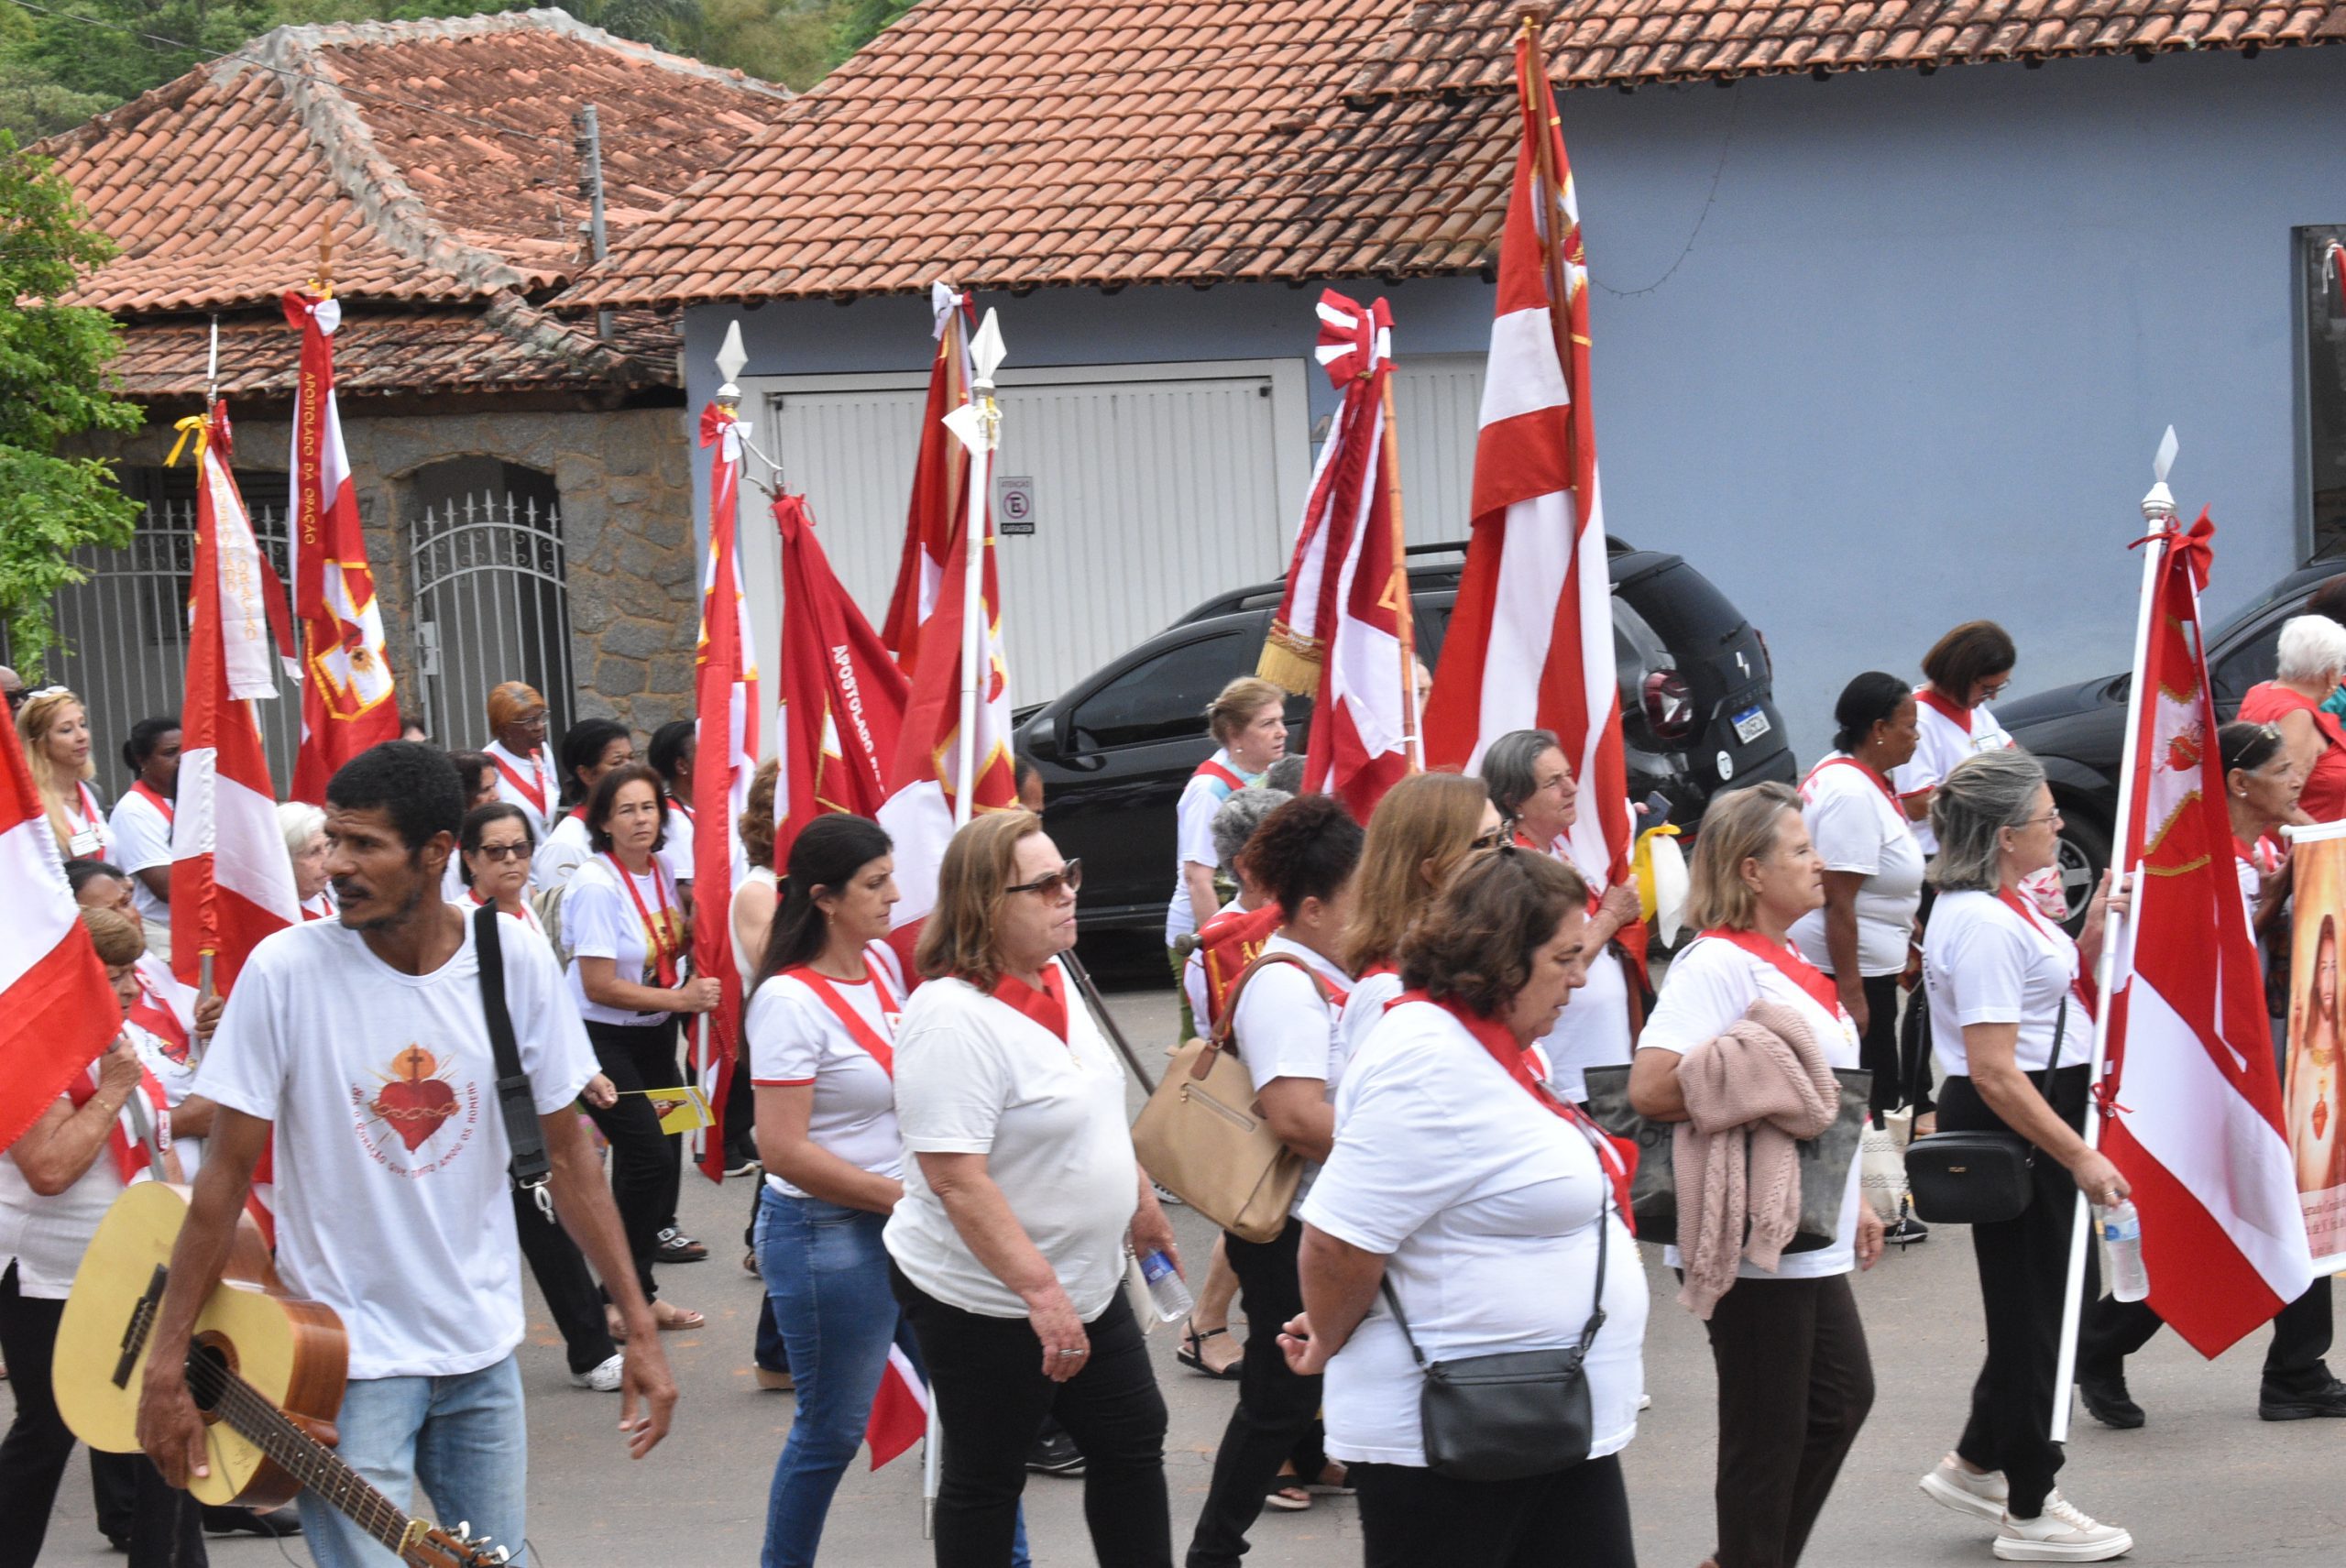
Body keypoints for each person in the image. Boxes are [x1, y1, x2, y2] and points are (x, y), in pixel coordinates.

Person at [137, 743, 678, 1564]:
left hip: (482, 1349)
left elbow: (571, 1158)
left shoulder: (511, 955)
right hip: (342, 1362)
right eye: (333, 841)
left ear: (433, 853)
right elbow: (220, 1181)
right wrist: (166, 1361)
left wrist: (637, 1326)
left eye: (364, 845)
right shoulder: (286, 970)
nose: (339, 865)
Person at [1277, 847, 1647, 1568]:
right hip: (1456, 1431)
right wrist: (1328, 1333)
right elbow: (1337, 1241)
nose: (1581, 974)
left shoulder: (1495, 1047)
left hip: (1539, 1412)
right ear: (1505, 958)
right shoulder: (1427, 1061)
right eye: (1565, 956)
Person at [885, 810, 1179, 1568]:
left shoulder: (1053, 973)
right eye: (1045, 884)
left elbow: (1094, 1105)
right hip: (988, 1298)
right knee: (988, 1474)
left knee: (1132, 1437)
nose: (1068, 892)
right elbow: (954, 1175)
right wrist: (1040, 1294)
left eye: (1069, 873)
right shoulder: (949, 1017)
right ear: (986, 903)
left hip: (1086, 1276)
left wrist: (1139, 1199)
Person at [1626, 783, 1880, 1568]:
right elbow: (1652, 1085)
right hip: (1749, 1225)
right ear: (1751, 870)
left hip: (1806, 1218)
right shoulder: (1716, 963)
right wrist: (1754, 1063)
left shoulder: (1790, 956)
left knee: (1838, 1403)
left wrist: (1860, 1192)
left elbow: (1823, 1094)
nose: (1818, 861)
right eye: (1800, 850)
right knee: (1766, 1430)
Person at [2077, 721, 2346, 1425]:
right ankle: (2099, 1343)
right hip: (2215, 1068)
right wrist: (2283, 889)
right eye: (2284, 769)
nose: (2297, 781)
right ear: (2237, 781)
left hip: (2276, 1056)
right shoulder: (2199, 859)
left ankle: (2297, 1368)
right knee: (2210, 1222)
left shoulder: (2259, 848)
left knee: (2296, 1205)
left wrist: (2298, 881)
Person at [1913, 750, 2132, 1562]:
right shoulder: (1980, 921)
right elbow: (1997, 1069)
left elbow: (2039, 1004)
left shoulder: (2003, 905)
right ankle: (2031, 1507)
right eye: (2047, 817)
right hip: (2024, 1125)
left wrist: (2092, 931)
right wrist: (2077, 1153)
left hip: (2041, 1110)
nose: (2059, 826)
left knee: (2047, 1307)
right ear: (2006, 835)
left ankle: (1977, 1459)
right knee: (2039, 1317)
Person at [2, 908, 210, 1568]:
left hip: (131, 1266)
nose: (128, 987)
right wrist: (115, 1088)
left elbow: (158, 1141)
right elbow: (51, 1167)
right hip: (49, 1276)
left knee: (161, 1425)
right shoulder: (28, 1044)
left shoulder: (111, 1037)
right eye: (112, 973)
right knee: (48, 1432)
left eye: (130, 971)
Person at [1187, 795, 1365, 1564]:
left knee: (1303, 1371)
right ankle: (1214, 1547)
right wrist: (1397, 1147)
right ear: (1316, 908)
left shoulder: (1327, 972)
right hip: (1291, 1220)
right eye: (1363, 894)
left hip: (1320, 1211)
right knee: (1277, 1389)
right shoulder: (1290, 983)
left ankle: (1317, 1455)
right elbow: (1294, 1115)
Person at [456, 802, 628, 1396]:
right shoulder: (466, 927)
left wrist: (583, 1071)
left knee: (547, 1214)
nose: (510, 861)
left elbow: (548, 1006)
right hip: (488, 1098)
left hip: (531, 1094)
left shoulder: (525, 914)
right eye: (495, 851)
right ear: (469, 860)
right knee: (539, 1216)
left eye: (519, 849)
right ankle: (587, 1346)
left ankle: (591, 1346)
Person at [567, 762, 720, 1307]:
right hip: (604, 1035)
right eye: (626, 810)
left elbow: (676, 939)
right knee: (648, 1156)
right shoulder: (594, 884)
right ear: (604, 821)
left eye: (649, 807)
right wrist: (681, 999)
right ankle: (628, 1293)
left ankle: (631, 1288)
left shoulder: (662, 869)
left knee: (661, 1152)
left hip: (654, 1033)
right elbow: (600, 984)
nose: (640, 820)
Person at [1172, 785, 1295, 1388]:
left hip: (1296, 1092)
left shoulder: (1307, 911)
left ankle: (1209, 1321)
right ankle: (1206, 1323)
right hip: (1258, 1103)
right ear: (1247, 863)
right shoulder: (1217, 943)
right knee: (1257, 1217)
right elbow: (1215, 1031)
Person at [1791, 674, 1928, 1140]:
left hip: (1869, 967)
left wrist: (1908, 929)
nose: (1917, 737)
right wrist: (1851, 995)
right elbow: (1839, 902)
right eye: (1909, 727)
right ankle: (1873, 1202)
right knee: (1868, 1104)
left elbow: (1877, 878)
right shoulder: (1850, 794)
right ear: (1879, 729)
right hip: (1850, 975)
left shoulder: (1855, 773)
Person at [1481, 728, 1644, 1102]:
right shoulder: (1513, 870)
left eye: (1569, 774)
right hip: (1572, 1075)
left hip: (1606, 1060)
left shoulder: (1563, 850)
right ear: (1514, 799)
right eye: (1553, 782)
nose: (1572, 788)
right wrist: (1611, 917)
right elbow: (1550, 960)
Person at [1338, 771, 1504, 1063]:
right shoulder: (1388, 990)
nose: (1505, 854)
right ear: (1431, 871)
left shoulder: (1469, 964)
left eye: (1504, 836)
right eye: (1484, 844)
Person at [1168, 677, 1288, 1034]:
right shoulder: (1209, 789)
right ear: (1234, 735)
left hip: (1252, 920)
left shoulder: (1266, 774)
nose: (1282, 732)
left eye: (1281, 720)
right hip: (1205, 930)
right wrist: (1216, 948)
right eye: (1267, 724)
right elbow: (1197, 879)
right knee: (1205, 1046)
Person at [2240, 614, 2346, 825]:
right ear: (2330, 673)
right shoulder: (2297, 715)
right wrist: (2324, 842)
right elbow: (2279, 801)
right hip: (2308, 848)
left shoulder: (2261, 692)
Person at [107, 716, 181, 959]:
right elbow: (167, 888)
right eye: (170, 753)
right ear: (142, 761)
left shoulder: (193, 799)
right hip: (163, 939)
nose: (182, 759)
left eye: (186, 750)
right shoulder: (135, 811)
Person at [535, 718, 635, 892]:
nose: (630, 769)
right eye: (617, 762)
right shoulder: (566, 845)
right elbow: (559, 916)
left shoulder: (632, 828)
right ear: (586, 774)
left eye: (631, 758)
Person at [20, 686, 111, 862]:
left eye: (82, 725)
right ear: (39, 743)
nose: (82, 736)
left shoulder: (93, 792)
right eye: (66, 730)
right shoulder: (30, 803)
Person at [486, 680, 561, 832]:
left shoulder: (543, 752)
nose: (540, 727)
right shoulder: (488, 765)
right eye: (530, 721)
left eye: (541, 717)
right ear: (505, 728)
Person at [647, 718, 700, 912]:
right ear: (681, 766)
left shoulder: (697, 810)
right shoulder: (673, 818)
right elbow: (679, 888)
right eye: (704, 751)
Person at [444, 751, 501, 900]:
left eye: (494, 786)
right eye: (485, 790)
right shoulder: (449, 863)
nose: (496, 796)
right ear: (462, 796)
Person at [279, 800, 336, 920]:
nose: (328, 861)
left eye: (327, 846)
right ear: (286, 860)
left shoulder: (340, 894)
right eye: (314, 852)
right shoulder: (272, 915)